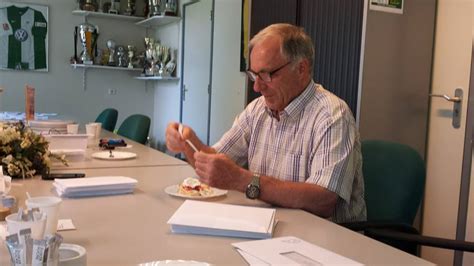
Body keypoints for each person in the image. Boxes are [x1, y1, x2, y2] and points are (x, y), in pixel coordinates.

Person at [166, 23, 366, 223]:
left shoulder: (333, 115)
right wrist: (189, 143)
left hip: (326, 240)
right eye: (254, 74)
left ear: (301, 69)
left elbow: (323, 200)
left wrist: (244, 181)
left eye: (266, 75)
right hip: (266, 226)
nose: (256, 86)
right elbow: (217, 168)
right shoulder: (257, 110)